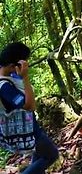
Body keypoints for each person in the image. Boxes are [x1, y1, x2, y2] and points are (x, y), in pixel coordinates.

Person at [0, 42, 59, 174]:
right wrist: (25, 77)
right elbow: (30, 106)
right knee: (52, 155)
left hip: (29, 128)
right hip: (28, 131)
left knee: (38, 157)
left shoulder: (8, 73)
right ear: (12, 65)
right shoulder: (5, 87)